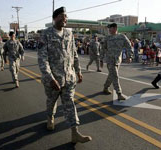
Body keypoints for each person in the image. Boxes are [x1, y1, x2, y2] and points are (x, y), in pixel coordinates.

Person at [37, 7, 92, 143]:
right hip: (53, 79)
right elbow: (42, 59)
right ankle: (50, 117)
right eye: (62, 16)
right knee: (51, 102)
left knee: (70, 104)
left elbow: (74, 54)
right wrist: (50, 78)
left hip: (69, 78)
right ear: (55, 18)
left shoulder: (69, 33)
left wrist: (78, 71)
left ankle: (75, 133)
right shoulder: (46, 34)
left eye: (66, 17)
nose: (65, 19)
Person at [100, 23, 133, 101]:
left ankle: (105, 87)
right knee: (115, 76)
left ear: (115, 28)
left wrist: (129, 56)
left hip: (118, 60)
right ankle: (119, 93)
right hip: (110, 60)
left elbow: (129, 46)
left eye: (110, 28)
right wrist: (101, 59)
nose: (109, 30)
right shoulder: (107, 38)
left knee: (111, 75)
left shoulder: (122, 37)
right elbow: (103, 49)